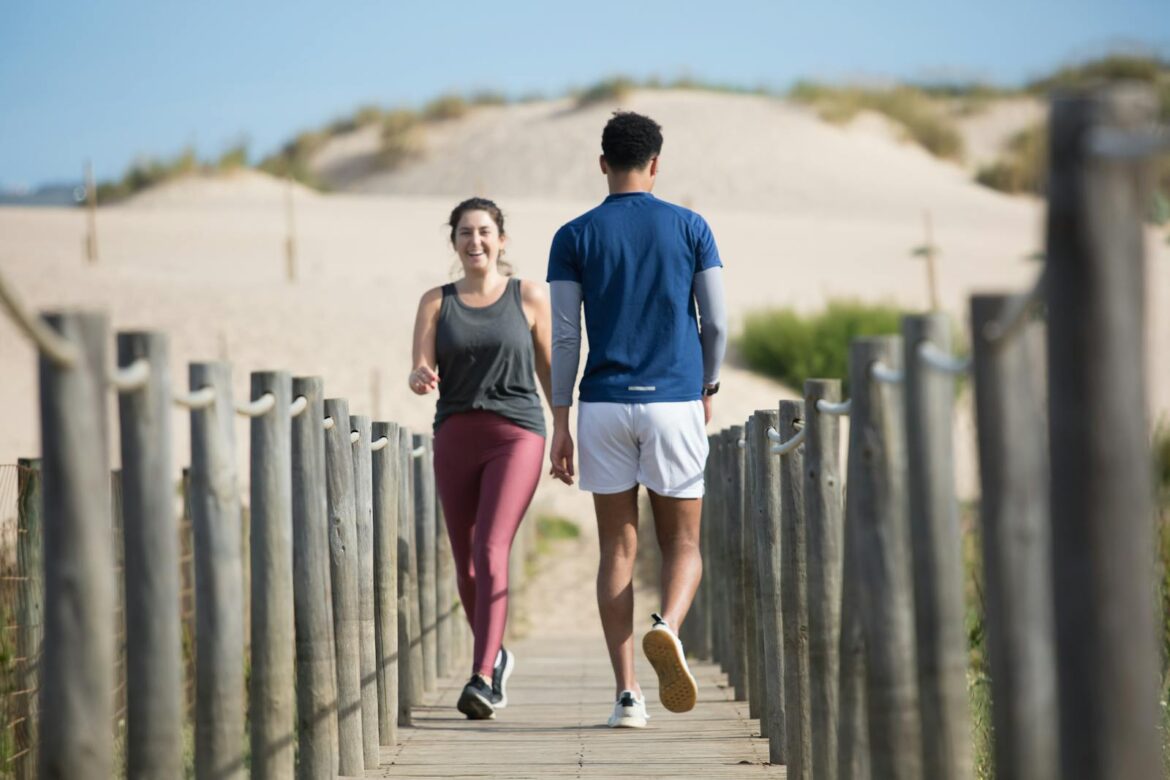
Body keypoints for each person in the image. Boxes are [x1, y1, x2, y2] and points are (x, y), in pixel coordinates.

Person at [546, 112, 728, 728]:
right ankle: (668, 628)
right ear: (656, 164)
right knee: (681, 543)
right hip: (674, 399)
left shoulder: (573, 235)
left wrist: (562, 419)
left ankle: (627, 695)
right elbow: (719, 321)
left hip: (602, 403)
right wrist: (708, 383)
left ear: (603, 163)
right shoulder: (691, 226)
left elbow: (566, 336)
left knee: (616, 549)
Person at [409, 197, 554, 720]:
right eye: (466, 233)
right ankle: (497, 655)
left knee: (492, 548)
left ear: (502, 239)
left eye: (485, 231)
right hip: (455, 434)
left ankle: (483, 676)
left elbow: (550, 375)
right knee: (466, 565)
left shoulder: (529, 296)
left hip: (517, 434)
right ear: (454, 242)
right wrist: (420, 377)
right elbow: (419, 365)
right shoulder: (435, 301)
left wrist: (565, 433)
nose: (476, 241)